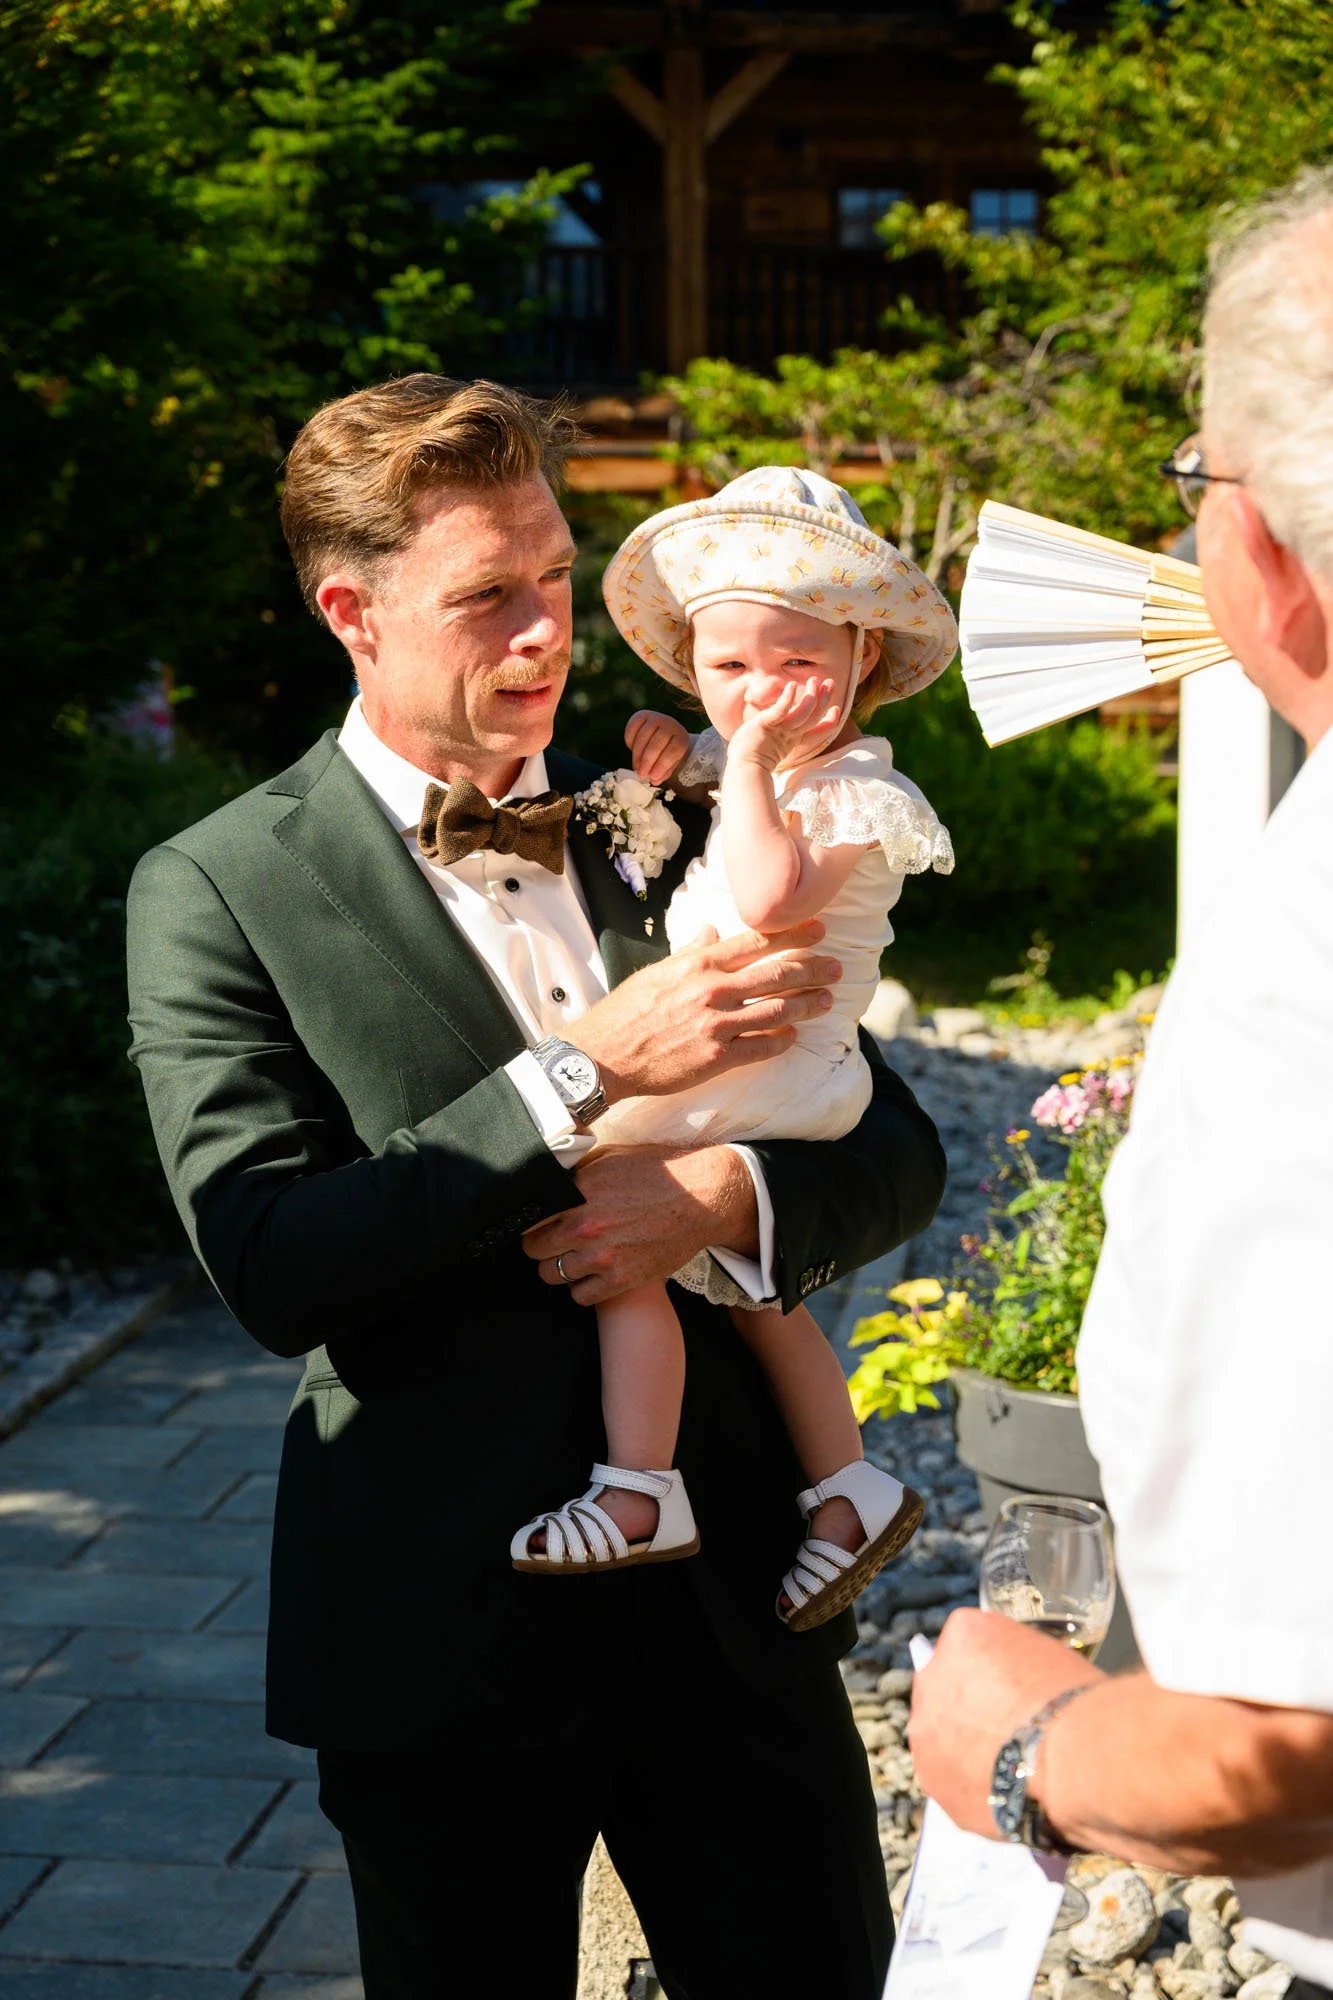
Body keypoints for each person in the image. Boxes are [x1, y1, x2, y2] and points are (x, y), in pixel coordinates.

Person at [126, 375, 948, 2000]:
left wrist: (722, 1207)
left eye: (557, 580)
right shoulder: (215, 887)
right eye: (487, 597)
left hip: (735, 1602)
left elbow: (892, 1144)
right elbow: (273, 1258)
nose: (542, 632)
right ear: (351, 610)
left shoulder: (676, 805)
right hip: (441, 1628)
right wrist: (584, 1072)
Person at [907, 168, 1333, 1997]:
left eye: (1191, 490)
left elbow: (1281, 1745)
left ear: (1263, 559)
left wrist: (1018, 1747)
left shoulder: (1298, 992)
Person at [512, 467, 956, 1634]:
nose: (758, 695)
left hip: (776, 1050)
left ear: (861, 655)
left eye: (796, 664)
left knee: (602, 1192)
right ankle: (850, 1487)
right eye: (726, 670)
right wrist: (682, 752)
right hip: (757, 1051)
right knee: (764, 1299)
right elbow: (706, 780)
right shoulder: (768, 757)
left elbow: (764, 897)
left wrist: (744, 763)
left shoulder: (860, 790)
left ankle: (638, 1485)